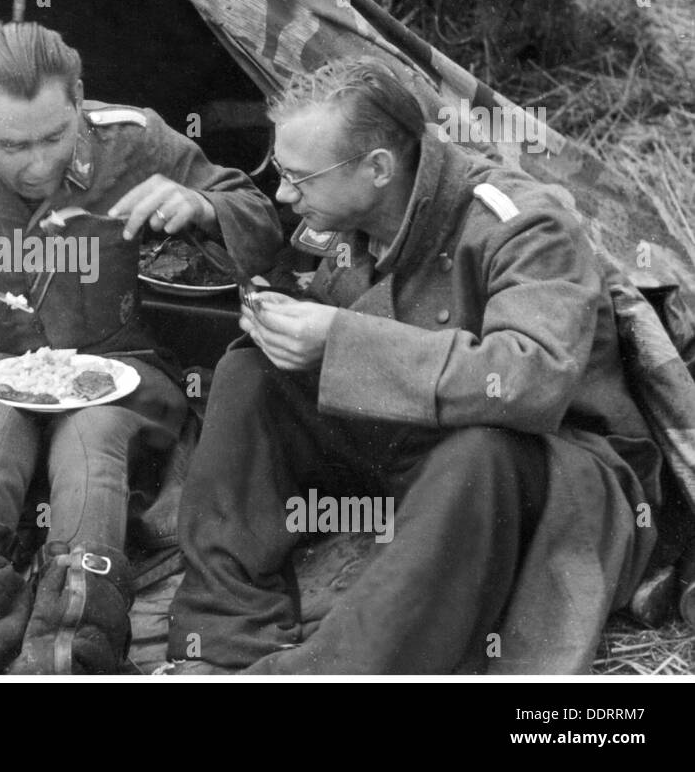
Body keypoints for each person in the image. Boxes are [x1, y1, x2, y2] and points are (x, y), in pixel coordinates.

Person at [166, 57, 662, 673]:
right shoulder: (354, 217)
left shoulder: (521, 223)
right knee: (249, 374)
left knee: (478, 452)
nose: (285, 194)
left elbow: (532, 381)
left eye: (300, 177)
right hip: (417, 443)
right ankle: (221, 634)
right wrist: (287, 321)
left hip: (547, 463)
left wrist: (341, 340)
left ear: (378, 168)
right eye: (280, 173)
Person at [0, 21, 280, 674]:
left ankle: (76, 647)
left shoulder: (132, 138)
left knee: (94, 436)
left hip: (115, 368)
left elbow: (259, 218)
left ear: (79, 98)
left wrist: (199, 205)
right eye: (12, 144)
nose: (39, 162)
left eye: (56, 135)